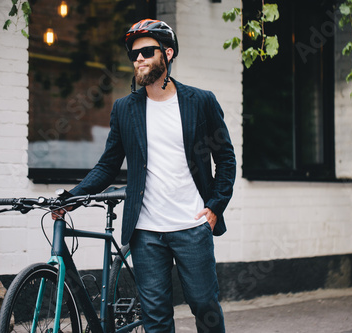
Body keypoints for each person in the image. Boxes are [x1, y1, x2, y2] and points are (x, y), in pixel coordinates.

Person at [67, 19, 236, 332]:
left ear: (168, 54)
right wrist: (70, 198)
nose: (139, 59)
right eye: (134, 55)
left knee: (205, 306)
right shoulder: (124, 109)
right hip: (145, 232)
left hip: (192, 225)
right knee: (155, 318)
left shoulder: (200, 102)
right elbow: (107, 165)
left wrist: (215, 206)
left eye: (147, 51)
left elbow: (225, 158)